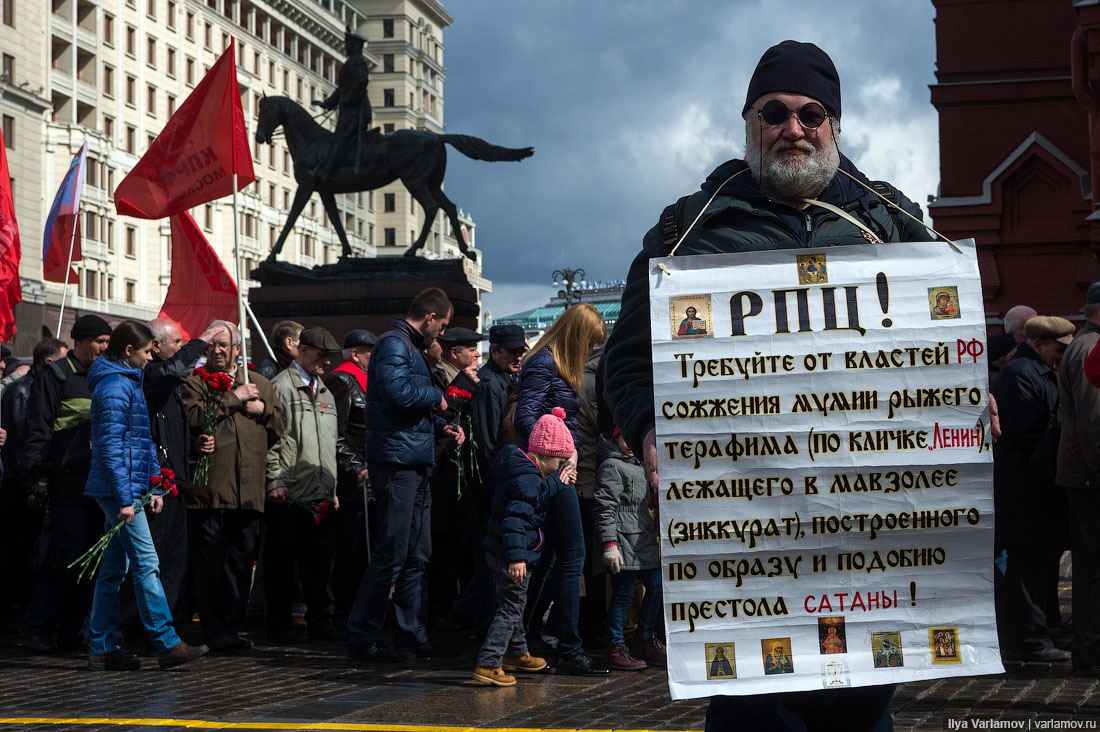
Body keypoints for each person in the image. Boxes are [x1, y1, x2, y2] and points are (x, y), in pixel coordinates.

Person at [603, 39, 933, 731]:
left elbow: (947, 332)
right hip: (744, 530)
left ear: (835, 126)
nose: (794, 128)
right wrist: (649, 429)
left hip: (865, 529)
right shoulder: (686, 230)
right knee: (758, 707)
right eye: (774, 112)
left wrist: (971, 386)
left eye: (812, 113)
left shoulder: (891, 223)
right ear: (748, 122)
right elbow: (627, 362)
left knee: (863, 704)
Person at [347, 287, 464, 662]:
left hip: (413, 460)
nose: (441, 334)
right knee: (392, 554)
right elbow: (397, 392)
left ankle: (410, 634)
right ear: (430, 318)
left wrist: (438, 423)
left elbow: (401, 404)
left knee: (417, 553)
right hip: (397, 464)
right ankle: (363, 636)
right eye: (442, 326)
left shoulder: (407, 346)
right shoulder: (395, 344)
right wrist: (435, 399)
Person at [84, 321, 208, 671]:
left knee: (114, 569)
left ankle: (102, 645)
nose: (149, 358)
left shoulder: (127, 383)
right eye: (145, 352)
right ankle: (166, 642)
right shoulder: (114, 388)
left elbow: (142, 442)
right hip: (117, 491)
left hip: (125, 489)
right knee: (146, 563)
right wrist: (125, 500)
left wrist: (152, 485)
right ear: (128, 352)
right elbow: (110, 449)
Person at [515, 303, 608, 676]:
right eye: (590, 344)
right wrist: (566, 452)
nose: (591, 352)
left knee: (555, 558)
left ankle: (525, 635)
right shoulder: (545, 363)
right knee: (572, 557)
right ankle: (569, 647)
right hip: (553, 473)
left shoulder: (553, 362)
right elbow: (527, 419)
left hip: (559, 471)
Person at [180, 320, 284, 652]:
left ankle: (232, 626)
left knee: (241, 562)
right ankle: (213, 630)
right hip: (211, 490)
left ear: (237, 349)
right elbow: (194, 417)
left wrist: (262, 408)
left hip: (249, 491)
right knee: (210, 564)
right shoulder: (194, 383)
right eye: (213, 344)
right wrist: (234, 398)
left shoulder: (260, 383)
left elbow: (281, 425)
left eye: (226, 344)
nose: (219, 350)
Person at [20, 315, 112, 653]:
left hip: (98, 487)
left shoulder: (105, 378)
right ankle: (37, 628)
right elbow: (38, 430)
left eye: (108, 342)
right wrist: (39, 478)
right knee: (67, 559)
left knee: (93, 562)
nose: (104, 348)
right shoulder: (56, 377)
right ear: (79, 341)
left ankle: (74, 631)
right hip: (66, 488)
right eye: (99, 341)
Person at [133, 318, 226, 624]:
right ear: (155, 346)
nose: (181, 349)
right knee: (152, 560)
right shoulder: (149, 373)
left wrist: (192, 445)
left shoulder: (169, 382)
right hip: (155, 485)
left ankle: (165, 629)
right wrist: (203, 339)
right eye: (177, 343)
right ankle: (143, 627)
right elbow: (173, 370)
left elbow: (171, 426)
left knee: (174, 561)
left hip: (176, 482)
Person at [473, 407, 573, 687]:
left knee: (514, 603)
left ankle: (516, 653)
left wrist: (557, 481)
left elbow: (536, 496)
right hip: (512, 557)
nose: (560, 465)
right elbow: (516, 520)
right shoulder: (529, 481)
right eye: (559, 461)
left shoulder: (526, 473)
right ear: (546, 455)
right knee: (511, 608)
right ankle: (489, 662)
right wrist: (517, 558)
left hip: (501, 553)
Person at [439, 324, 530, 633]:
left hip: (493, 481)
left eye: (522, 351)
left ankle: (466, 614)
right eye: (513, 352)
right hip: (489, 484)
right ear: (496, 352)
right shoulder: (491, 384)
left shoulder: (505, 378)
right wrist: (498, 486)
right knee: (489, 558)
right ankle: (481, 624)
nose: (520, 356)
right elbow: (488, 444)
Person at [992, 316, 1073, 663]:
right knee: (1023, 570)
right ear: (1038, 344)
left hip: (1039, 491)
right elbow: (1032, 437)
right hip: (1024, 492)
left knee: (1040, 565)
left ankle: (1041, 630)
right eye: (1058, 350)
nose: (1062, 356)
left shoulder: (1039, 370)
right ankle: (1027, 641)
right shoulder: (1021, 374)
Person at [264, 326, 343, 642]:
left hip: (321, 491)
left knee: (319, 563)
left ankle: (321, 621)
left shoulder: (325, 392)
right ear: (303, 350)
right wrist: (275, 479)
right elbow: (273, 438)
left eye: (328, 358)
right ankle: (279, 622)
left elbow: (329, 443)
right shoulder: (281, 387)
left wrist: (333, 488)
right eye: (321, 356)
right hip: (291, 490)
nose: (326, 363)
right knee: (282, 563)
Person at [0, 336, 67, 622]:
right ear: (50, 363)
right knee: (21, 546)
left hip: (40, 482)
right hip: (20, 486)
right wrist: (31, 483)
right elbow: (19, 444)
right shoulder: (21, 392)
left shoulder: (47, 390)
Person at [1057, 283, 1100, 677]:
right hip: (1089, 474)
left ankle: (1089, 649)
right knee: (1092, 567)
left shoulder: (1084, 342)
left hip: (1082, 471)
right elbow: (1094, 421)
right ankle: (1090, 651)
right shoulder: (1091, 348)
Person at [594, 428, 664, 671]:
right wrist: (609, 544)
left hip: (643, 537)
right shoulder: (612, 466)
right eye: (624, 439)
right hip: (623, 540)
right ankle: (614, 645)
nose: (629, 445)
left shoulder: (642, 465)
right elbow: (605, 507)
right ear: (615, 438)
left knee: (655, 587)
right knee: (622, 593)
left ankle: (643, 640)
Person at [428, 326, 485, 625]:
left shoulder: (471, 378)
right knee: (446, 548)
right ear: (454, 353)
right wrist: (464, 385)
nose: (478, 353)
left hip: (464, 477)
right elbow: (443, 414)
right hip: (444, 477)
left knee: (464, 546)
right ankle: (439, 610)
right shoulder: (439, 378)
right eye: (471, 348)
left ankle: (458, 610)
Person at [325, 329, 376, 622]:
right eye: (370, 352)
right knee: (349, 551)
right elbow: (338, 434)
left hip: (368, 479)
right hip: (354, 482)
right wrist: (355, 467)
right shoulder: (342, 380)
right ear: (355, 354)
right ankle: (345, 609)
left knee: (360, 551)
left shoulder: (366, 381)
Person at [312, 26, 372, 179]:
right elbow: (342, 89)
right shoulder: (352, 62)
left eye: (347, 43)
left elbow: (361, 81)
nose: (345, 46)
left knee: (340, 138)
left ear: (354, 45)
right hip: (350, 109)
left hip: (355, 111)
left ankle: (326, 171)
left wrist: (349, 99)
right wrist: (327, 104)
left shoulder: (357, 62)